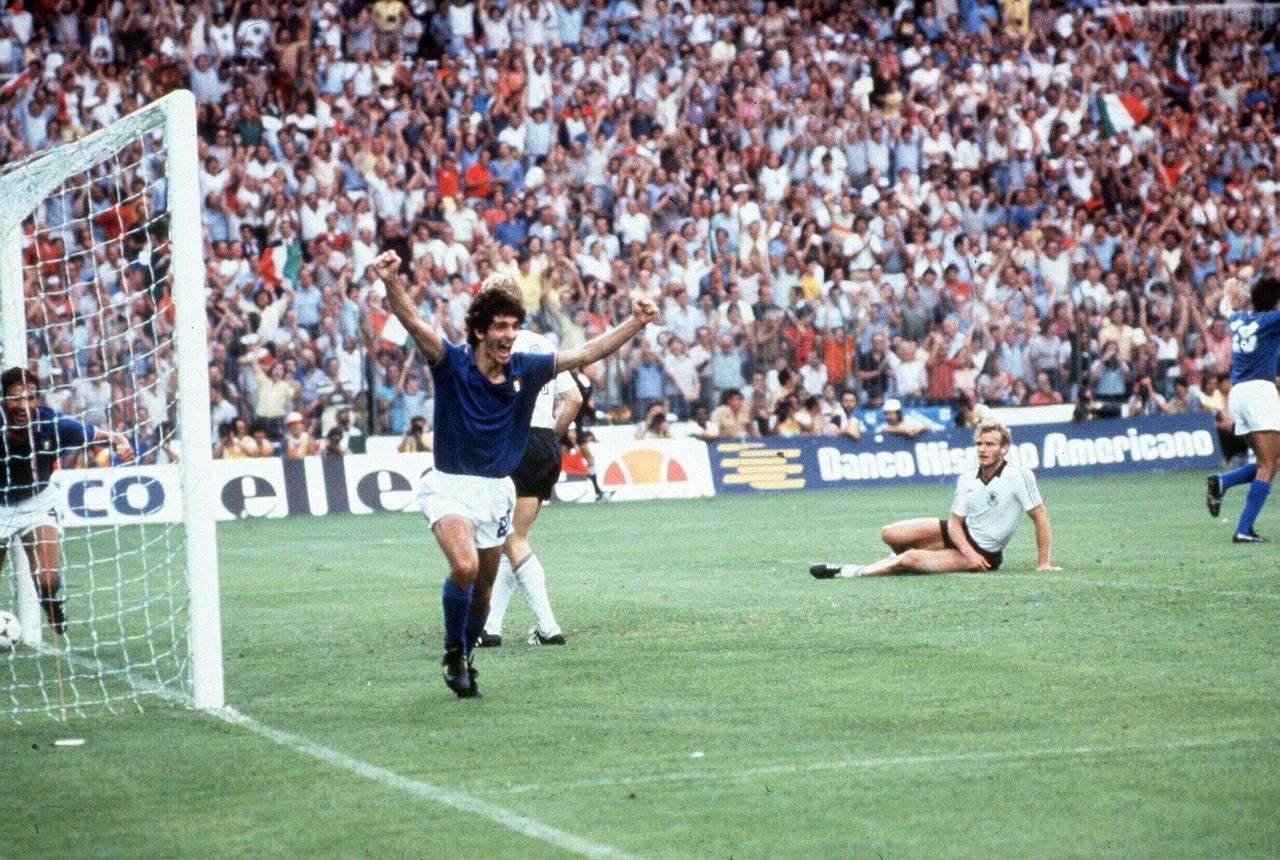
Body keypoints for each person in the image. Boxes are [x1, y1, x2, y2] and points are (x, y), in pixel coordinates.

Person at [374, 249, 656, 698]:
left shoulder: (527, 366)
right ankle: (453, 654)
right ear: (481, 330)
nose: (509, 336)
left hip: (496, 492)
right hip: (448, 486)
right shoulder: (451, 363)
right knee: (464, 567)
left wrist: (636, 323)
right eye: (500, 327)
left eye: (513, 326)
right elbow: (412, 322)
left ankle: (465, 656)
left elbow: (586, 352)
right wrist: (391, 281)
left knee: (484, 593)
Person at [809, 422, 1059, 578]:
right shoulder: (967, 477)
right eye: (979, 444)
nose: (983, 449)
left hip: (984, 553)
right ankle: (912, 562)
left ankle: (851, 572)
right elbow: (954, 522)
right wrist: (966, 550)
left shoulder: (1019, 476)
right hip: (962, 536)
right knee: (890, 534)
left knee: (910, 558)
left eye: (990, 444)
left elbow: (1040, 517)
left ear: (1004, 449)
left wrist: (1043, 563)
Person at [0, 367, 134, 634]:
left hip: (38, 501)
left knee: (47, 580)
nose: (24, 405)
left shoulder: (52, 424)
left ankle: (54, 610)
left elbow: (108, 436)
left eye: (30, 398)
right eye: (17, 398)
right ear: (3, 400)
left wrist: (121, 443)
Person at [479, 323, 582, 648]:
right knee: (514, 540)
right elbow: (575, 398)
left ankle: (549, 626)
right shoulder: (544, 344)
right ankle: (491, 628)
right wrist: (552, 435)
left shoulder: (495, 344)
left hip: (514, 441)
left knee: (510, 539)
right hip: (544, 445)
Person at [1205, 277, 1280, 542]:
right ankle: (1243, 529)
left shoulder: (1238, 319)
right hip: (1260, 391)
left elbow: (1226, 307)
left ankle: (1223, 482)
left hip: (1237, 394)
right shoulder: (1272, 321)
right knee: (1269, 464)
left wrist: (1228, 291)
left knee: (1268, 462)